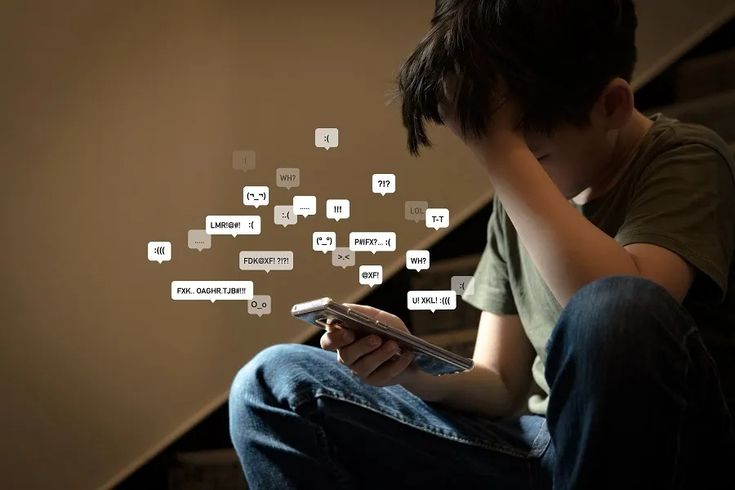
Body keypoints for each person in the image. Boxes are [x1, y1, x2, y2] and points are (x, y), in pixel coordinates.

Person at [229, 1, 735, 488]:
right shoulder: (517, 202)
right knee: (271, 383)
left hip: (664, 448)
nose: (511, 177)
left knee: (616, 307)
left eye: (530, 157)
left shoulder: (687, 158)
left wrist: (500, 150)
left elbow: (626, 306)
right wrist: (411, 369)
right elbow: (500, 384)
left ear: (611, 106)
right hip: (543, 444)